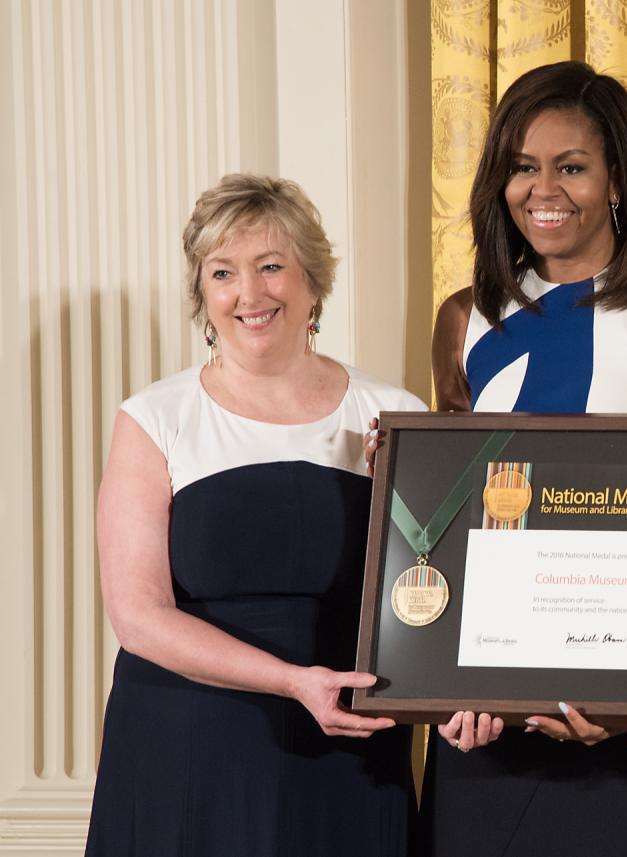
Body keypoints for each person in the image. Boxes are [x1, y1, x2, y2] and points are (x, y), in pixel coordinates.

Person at [417, 60, 627, 856]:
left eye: (571, 167)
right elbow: (450, 520)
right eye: (522, 168)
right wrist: (441, 686)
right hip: (488, 716)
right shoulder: (464, 317)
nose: (543, 189)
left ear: (620, 179)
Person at [86, 174, 424, 856]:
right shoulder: (155, 418)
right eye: (223, 273)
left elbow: (430, 591)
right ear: (203, 295)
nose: (251, 293)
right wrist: (292, 682)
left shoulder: (396, 417)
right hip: (187, 746)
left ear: (312, 281)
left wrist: (408, 484)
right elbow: (138, 614)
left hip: (348, 746)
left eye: (272, 266)